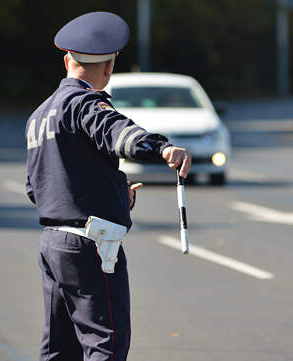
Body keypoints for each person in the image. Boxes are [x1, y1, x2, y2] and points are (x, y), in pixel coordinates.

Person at [25, 11, 191, 361]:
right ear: (108, 67)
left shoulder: (39, 114)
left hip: (53, 243)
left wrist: (112, 194)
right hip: (90, 245)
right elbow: (119, 135)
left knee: (58, 348)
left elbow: (38, 186)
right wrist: (163, 148)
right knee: (106, 344)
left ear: (67, 59)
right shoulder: (84, 103)